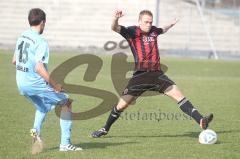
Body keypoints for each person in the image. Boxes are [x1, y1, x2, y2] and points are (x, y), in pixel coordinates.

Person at [91, 10, 213, 138]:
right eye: (146, 22)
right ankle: (105, 128)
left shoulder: (154, 31)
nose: (149, 24)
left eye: (150, 22)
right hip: (140, 76)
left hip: (157, 75)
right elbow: (114, 28)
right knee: (121, 105)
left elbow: (162, 29)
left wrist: (171, 24)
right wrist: (115, 18)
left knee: (179, 96)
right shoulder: (132, 32)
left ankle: (200, 120)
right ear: (139, 21)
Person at [12, 8, 82, 153]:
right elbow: (39, 67)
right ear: (43, 22)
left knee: (43, 107)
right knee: (66, 102)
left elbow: (14, 60)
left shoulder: (22, 36)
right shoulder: (40, 41)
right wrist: (55, 85)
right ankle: (65, 144)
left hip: (21, 83)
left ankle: (35, 131)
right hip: (34, 83)